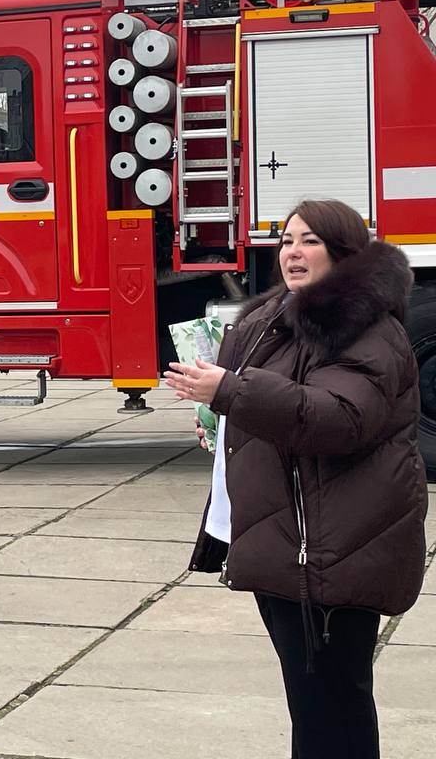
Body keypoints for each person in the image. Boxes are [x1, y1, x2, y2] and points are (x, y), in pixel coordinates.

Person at [169, 199, 427, 759]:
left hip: (336, 551)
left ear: (345, 251)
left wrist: (231, 395)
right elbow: (271, 408)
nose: (293, 251)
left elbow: (342, 418)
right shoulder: (271, 318)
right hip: (289, 544)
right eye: (287, 240)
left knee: (334, 705)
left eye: (310, 240)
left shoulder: (364, 327)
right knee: (311, 704)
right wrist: (219, 422)